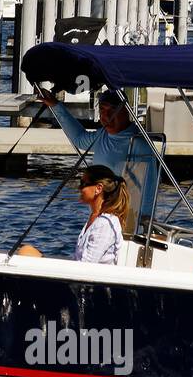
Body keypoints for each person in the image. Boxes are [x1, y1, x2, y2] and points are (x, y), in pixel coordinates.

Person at [37, 87, 159, 231]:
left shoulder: (139, 144)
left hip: (126, 223)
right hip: (101, 218)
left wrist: (146, 220)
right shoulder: (102, 136)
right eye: (102, 111)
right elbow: (79, 139)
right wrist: (55, 105)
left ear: (125, 111)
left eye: (111, 111)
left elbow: (150, 184)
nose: (106, 117)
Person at [17, 165, 130, 264]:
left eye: (83, 184)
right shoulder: (95, 217)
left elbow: (86, 266)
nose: (79, 188)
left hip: (91, 284)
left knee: (25, 253)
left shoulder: (105, 224)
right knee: (26, 250)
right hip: (78, 273)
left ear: (98, 188)